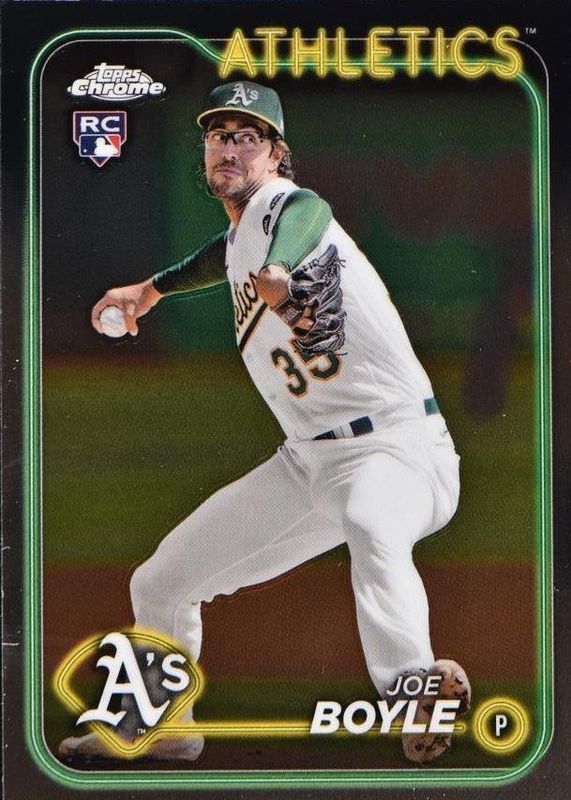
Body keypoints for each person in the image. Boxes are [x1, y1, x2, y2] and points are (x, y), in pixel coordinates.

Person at [59, 80, 470, 766]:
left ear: (277, 154)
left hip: (396, 449)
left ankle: (415, 690)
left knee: (371, 524)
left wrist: (280, 266)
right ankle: (165, 726)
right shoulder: (243, 236)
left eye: (248, 138)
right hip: (307, 463)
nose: (230, 148)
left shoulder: (286, 207)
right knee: (160, 583)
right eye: (219, 136)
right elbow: (222, 257)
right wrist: (151, 290)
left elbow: (306, 211)